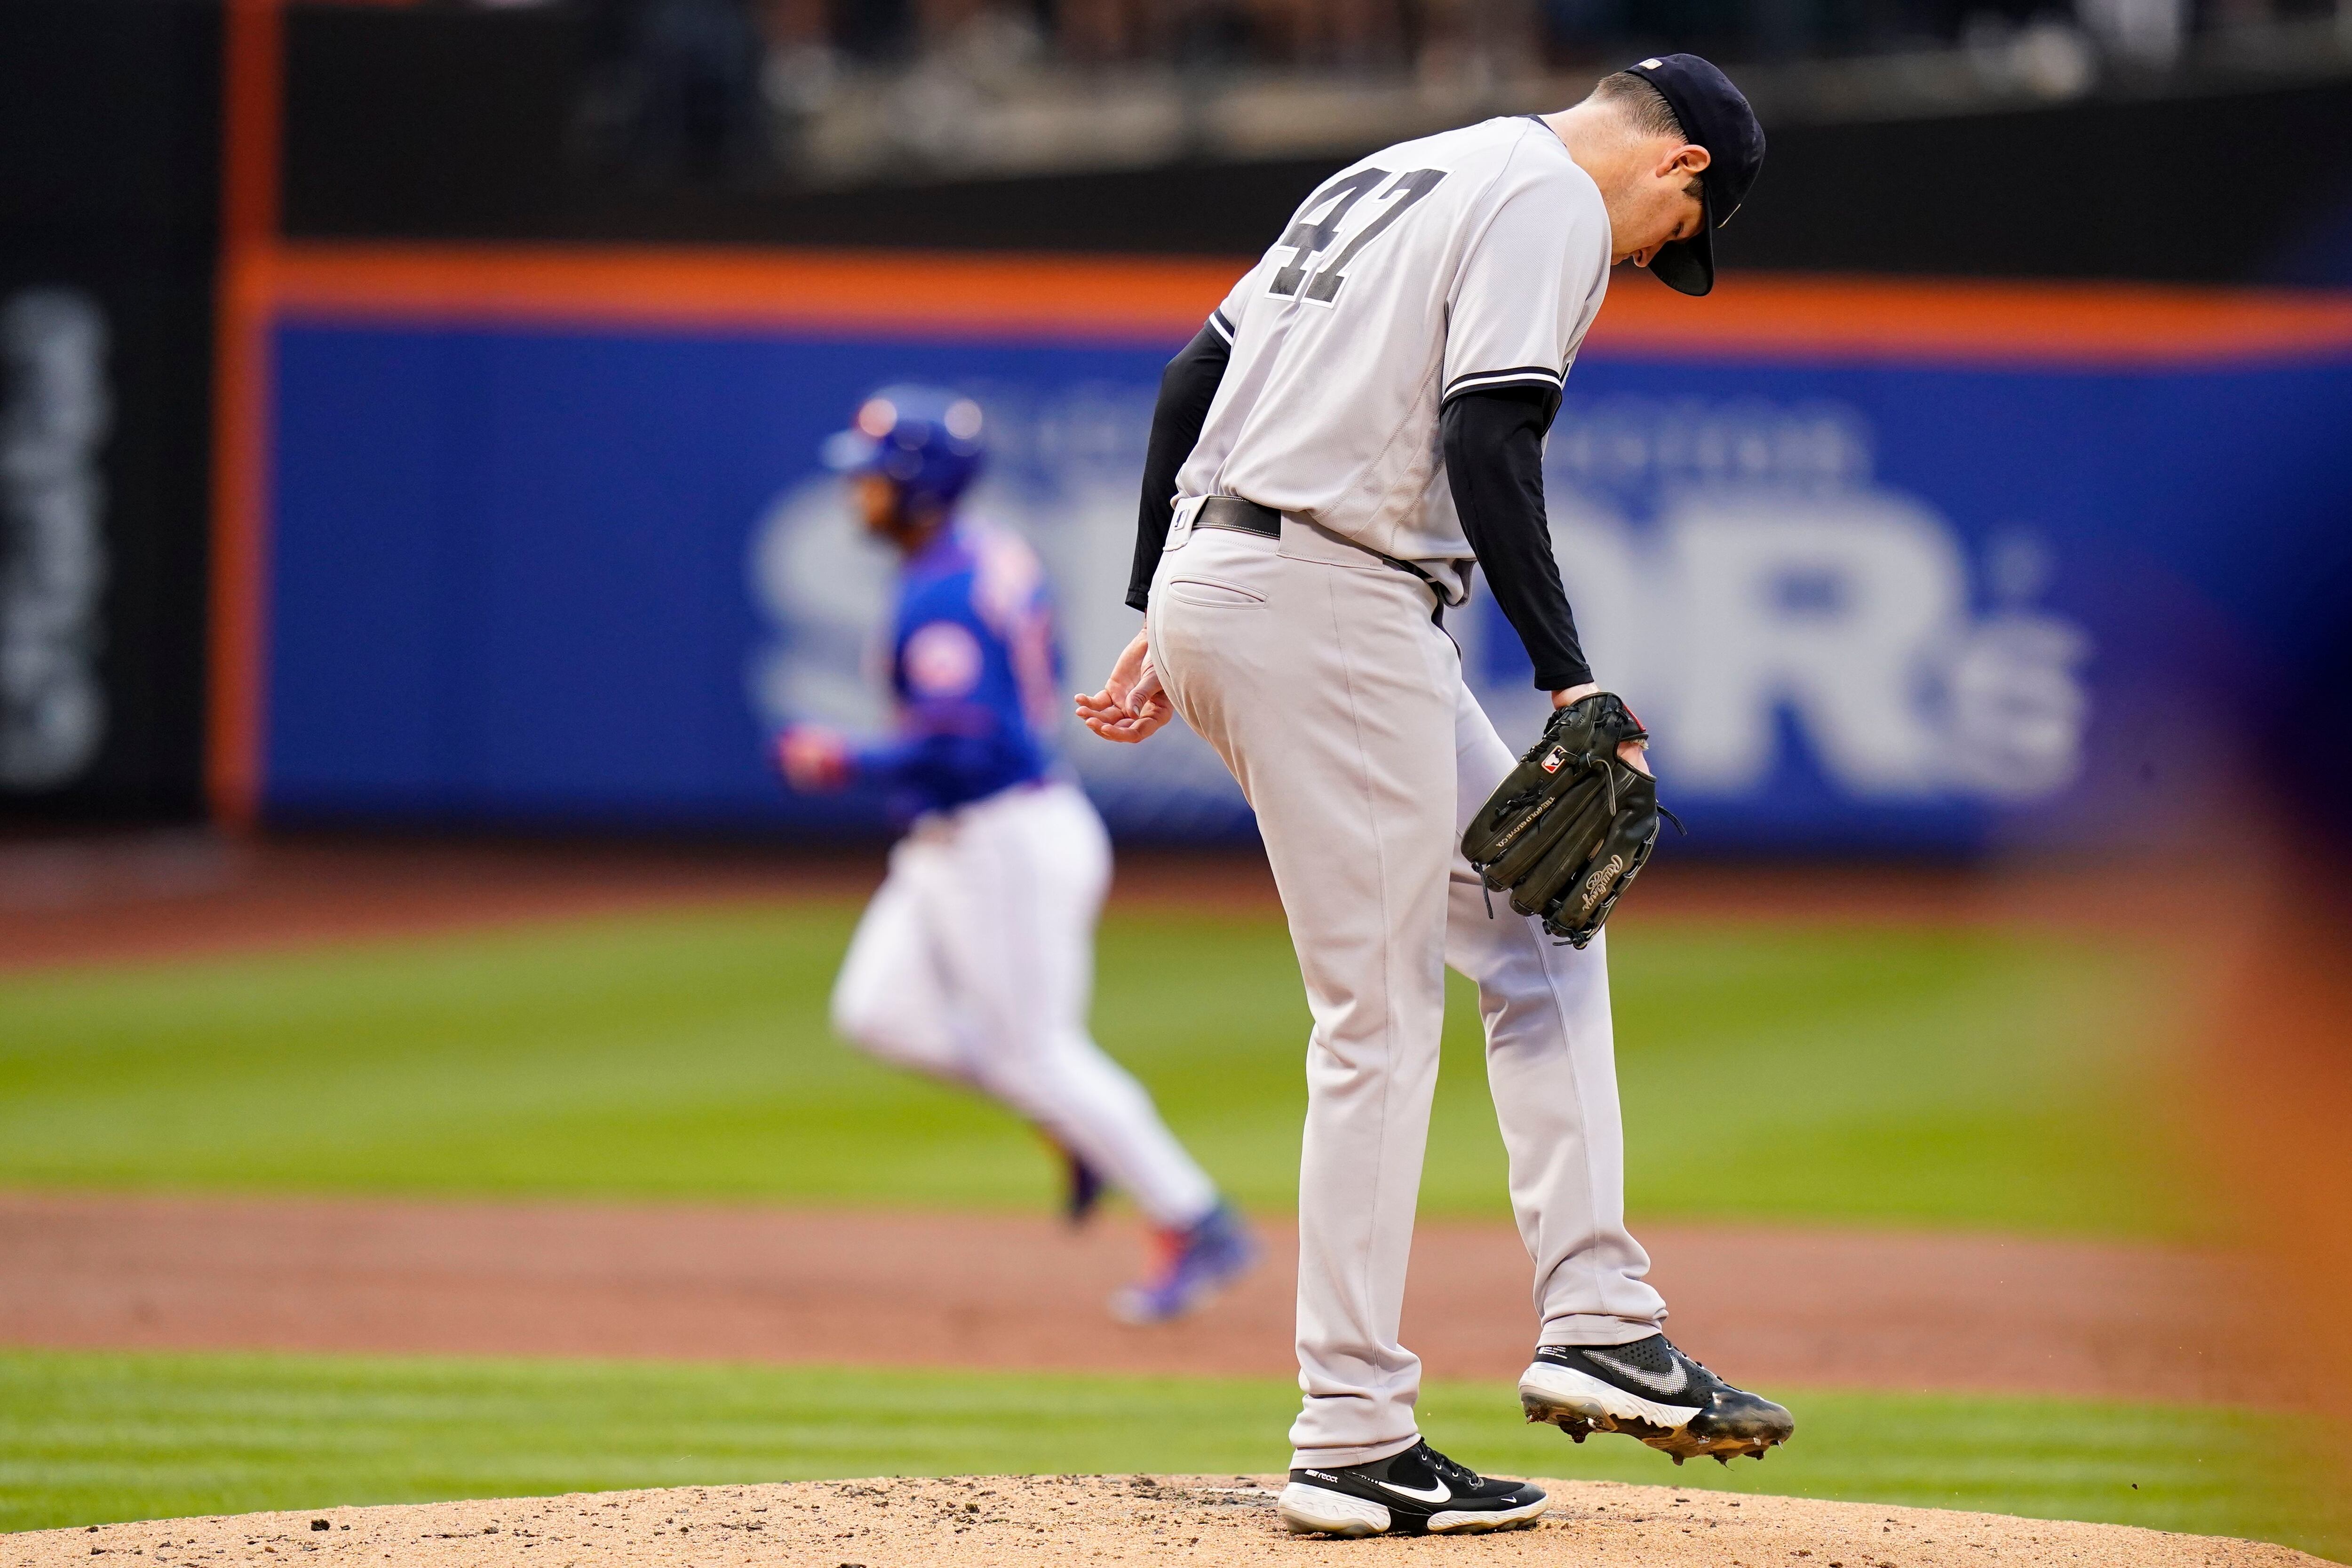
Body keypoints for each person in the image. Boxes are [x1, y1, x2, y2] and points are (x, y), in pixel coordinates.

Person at [1076, 57, 1794, 1536]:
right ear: (1684, 175)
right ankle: (1350, 1429)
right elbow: (1488, 436)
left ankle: (1601, 1312)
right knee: (1381, 1016)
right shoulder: (1549, 200)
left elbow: (1188, 380)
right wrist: (1570, 677)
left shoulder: (1406, 167)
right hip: (1327, 595)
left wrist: (1170, 596)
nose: (1658, 260)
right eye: (1678, 242)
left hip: (1261, 570)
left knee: (1543, 926)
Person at [777, 384, 1258, 1324]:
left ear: (917, 486)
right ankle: (1072, 1124)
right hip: (958, 836)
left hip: (1001, 836)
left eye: (872, 476)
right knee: (880, 1013)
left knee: (1040, 1049)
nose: (856, 492)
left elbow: (978, 743)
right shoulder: (978, 553)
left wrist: (848, 755)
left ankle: (1196, 1217)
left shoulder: (946, 591)